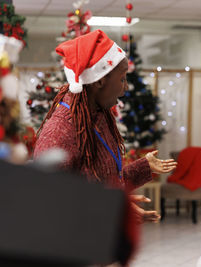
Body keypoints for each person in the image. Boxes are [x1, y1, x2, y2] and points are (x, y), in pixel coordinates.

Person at [34, 30, 177, 222]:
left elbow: (103, 183)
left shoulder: (97, 117)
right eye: (122, 79)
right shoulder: (59, 134)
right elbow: (48, 205)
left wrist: (142, 168)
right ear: (100, 80)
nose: (125, 88)